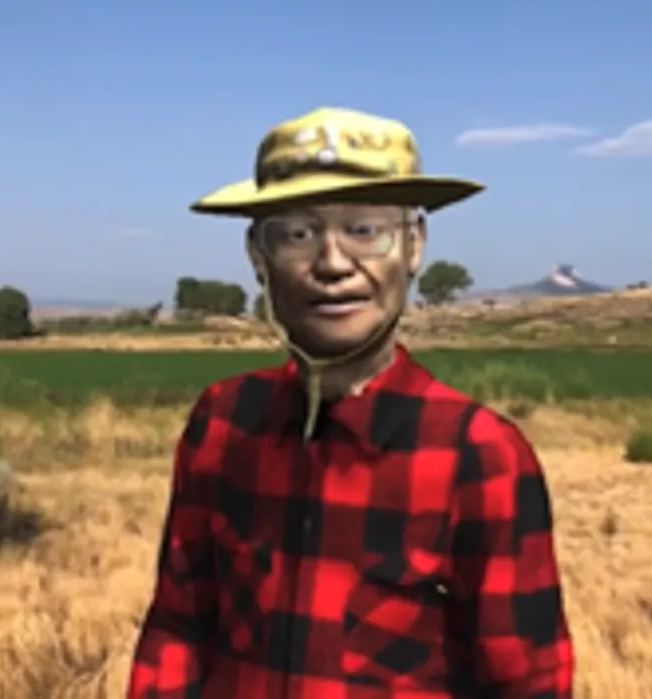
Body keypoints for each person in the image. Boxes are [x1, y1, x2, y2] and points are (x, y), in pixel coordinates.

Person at [127, 107, 574, 698]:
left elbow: (527, 685)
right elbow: (177, 630)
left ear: (413, 245)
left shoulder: (479, 455)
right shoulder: (224, 421)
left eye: (365, 230)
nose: (333, 264)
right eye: (296, 234)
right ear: (258, 256)